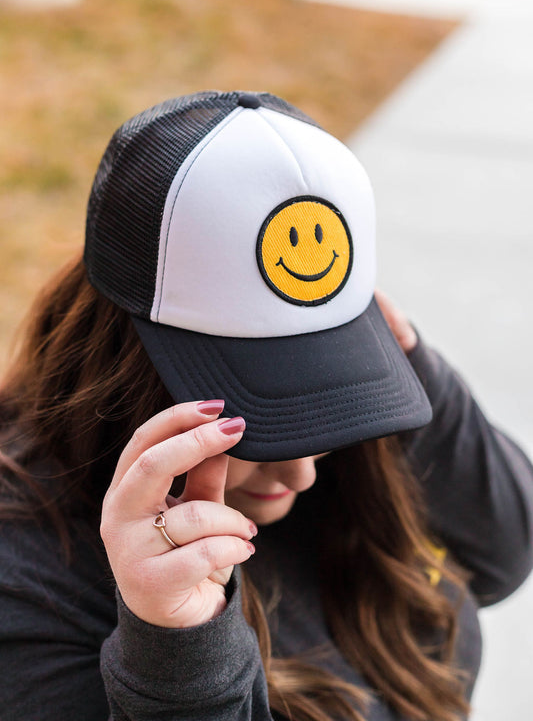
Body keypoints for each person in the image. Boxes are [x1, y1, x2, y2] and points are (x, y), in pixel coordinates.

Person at [0, 90, 531, 721]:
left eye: (319, 400)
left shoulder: (351, 453)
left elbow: (504, 551)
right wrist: (179, 650)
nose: (303, 473)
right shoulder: (28, 580)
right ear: (127, 372)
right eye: (258, 427)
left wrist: (407, 362)